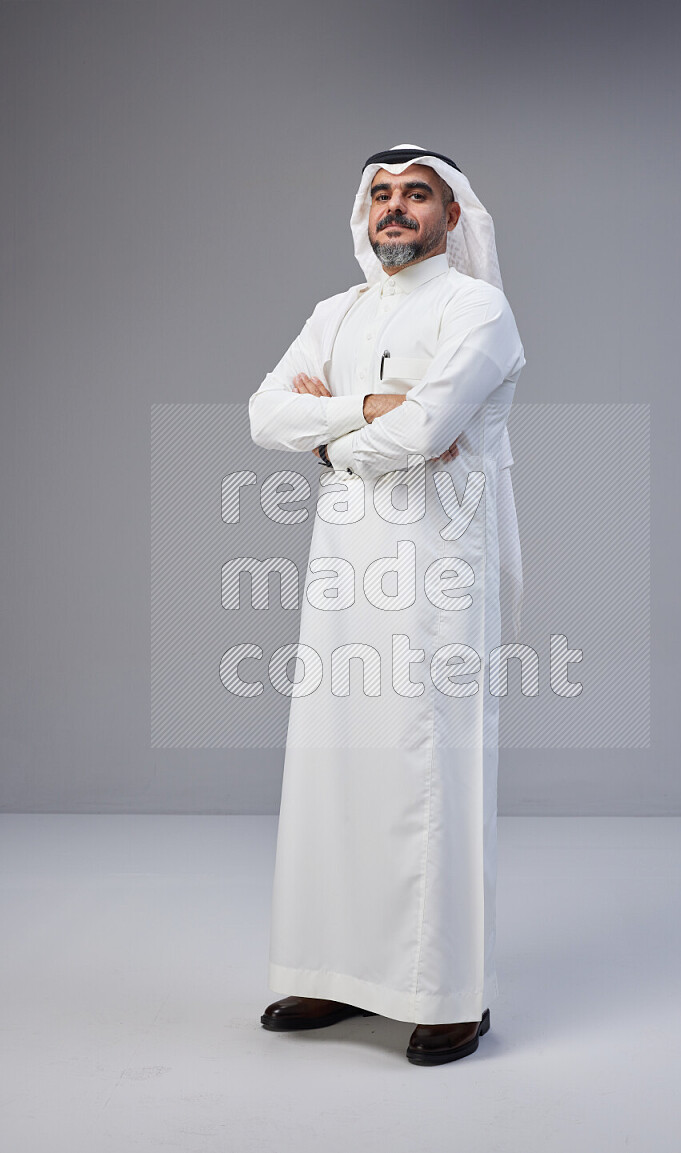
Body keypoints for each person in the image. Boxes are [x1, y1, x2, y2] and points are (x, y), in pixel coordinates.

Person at [248, 144, 525, 1066]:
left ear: (452, 215)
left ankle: (448, 991)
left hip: (440, 569)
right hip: (343, 571)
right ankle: (334, 971)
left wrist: (331, 433)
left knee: (428, 768)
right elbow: (262, 413)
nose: (395, 209)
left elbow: (433, 427)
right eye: (382, 196)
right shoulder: (336, 312)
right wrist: (371, 411)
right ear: (363, 214)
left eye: (417, 195)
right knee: (335, 760)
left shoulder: (475, 308)